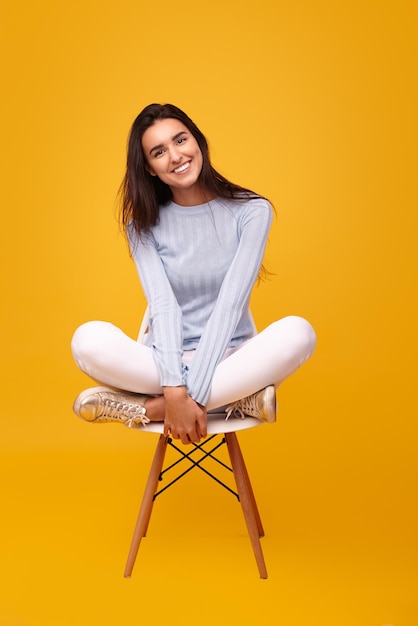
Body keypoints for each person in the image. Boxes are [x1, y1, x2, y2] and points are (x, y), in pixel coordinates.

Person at [71, 103, 316, 445]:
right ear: (151, 169)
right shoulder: (142, 225)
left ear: (197, 142)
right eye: (159, 152)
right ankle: (237, 400)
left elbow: (230, 304)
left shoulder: (251, 211)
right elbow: (163, 306)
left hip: (230, 358)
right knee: (87, 339)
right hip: (161, 363)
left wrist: (178, 401)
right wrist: (175, 390)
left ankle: (148, 408)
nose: (175, 155)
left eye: (180, 140)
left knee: (300, 333)